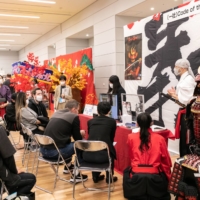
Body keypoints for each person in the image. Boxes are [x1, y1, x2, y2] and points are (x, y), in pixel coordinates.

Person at [125, 112, 171, 200]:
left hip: (136, 173)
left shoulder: (130, 137)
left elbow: (131, 156)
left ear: (137, 124)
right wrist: (168, 177)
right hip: (154, 174)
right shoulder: (160, 139)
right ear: (151, 123)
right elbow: (166, 161)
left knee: (126, 171)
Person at [40, 99, 88, 183]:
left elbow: (63, 134)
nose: (78, 112)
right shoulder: (73, 117)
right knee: (81, 145)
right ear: (73, 109)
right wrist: (81, 134)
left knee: (67, 142)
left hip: (43, 151)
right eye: (78, 110)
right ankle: (76, 175)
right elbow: (77, 139)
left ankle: (68, 166)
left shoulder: (56, 113)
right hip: (55, 153)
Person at [82, 102, 118, 183]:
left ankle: (95, 176)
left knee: (94, 146)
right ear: (109, 111)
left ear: (97, 111)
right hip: (104, 157)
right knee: (110, 150)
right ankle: (109, 177)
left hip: (87, 156)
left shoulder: (90, 121)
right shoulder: (112, 122)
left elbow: (91, 136)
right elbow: (111, 138)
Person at [167, 58, 196, 157]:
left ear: (183, 68)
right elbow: (182, 101)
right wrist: (174, 95)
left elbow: (186, 102)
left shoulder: (188, 80)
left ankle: (186, 162)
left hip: (188, 115)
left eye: (176, 67)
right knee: (184, 140)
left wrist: (173, 95)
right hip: (185, 113)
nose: (175, 69)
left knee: (186, 140)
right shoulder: (184, 79)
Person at [0, 126, 36, 196]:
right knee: (31, 178)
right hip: (3, 179)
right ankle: (11, 198)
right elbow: (8, 158)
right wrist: (15, 172)